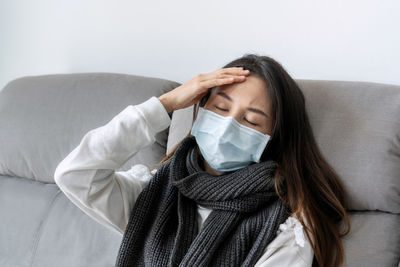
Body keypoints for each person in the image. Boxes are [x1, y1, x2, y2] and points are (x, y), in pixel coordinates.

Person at [54, 53, 351, 267]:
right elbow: (75, 175)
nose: (228, 126)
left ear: (274, 140)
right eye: (221, 107)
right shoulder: (150, 193)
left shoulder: (288, 227)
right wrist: (166, 104)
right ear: (200, 111)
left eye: (250, 120)